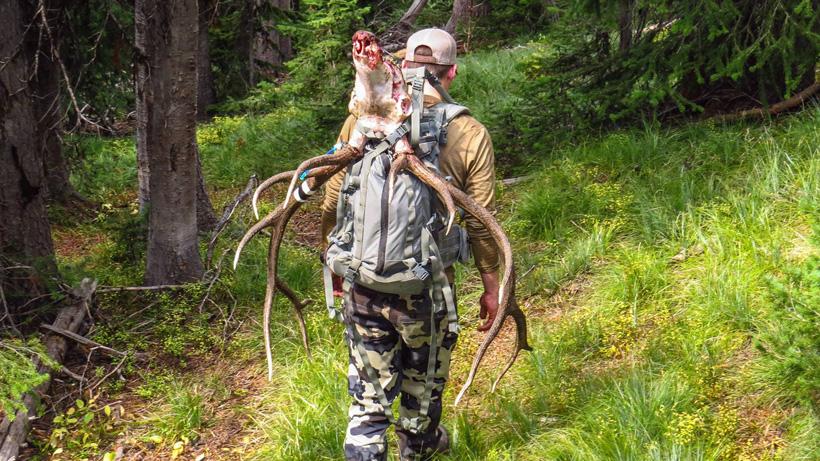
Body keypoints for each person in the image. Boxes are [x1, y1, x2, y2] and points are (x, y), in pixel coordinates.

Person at [320, 28, 499, 461]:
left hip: (363, 282)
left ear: (402, 64)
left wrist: (336, 268)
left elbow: (332, 199)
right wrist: (492, 288)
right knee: (421, 394)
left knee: (367, 402)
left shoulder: (362, 117)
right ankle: (418, 446)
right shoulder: (469, 131)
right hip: (429, 290)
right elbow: (479, 222)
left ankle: (364, 449)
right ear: (451, 73)